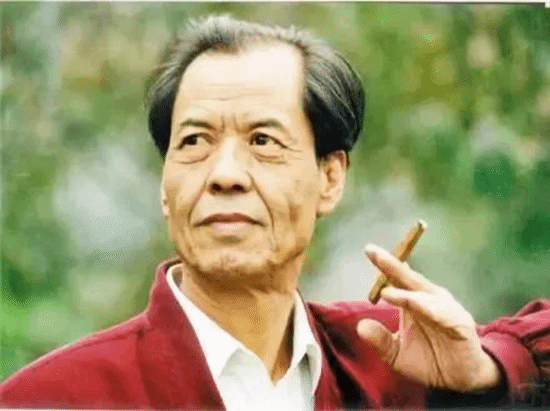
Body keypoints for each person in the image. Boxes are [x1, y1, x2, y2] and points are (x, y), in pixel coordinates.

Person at [1, 15, 549, 410]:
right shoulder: (54, 397)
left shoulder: (385, 359)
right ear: (165, 187)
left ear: (329, 178)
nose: (224, 174)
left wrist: (486, 371)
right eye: (194, 141)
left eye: (263, 140)